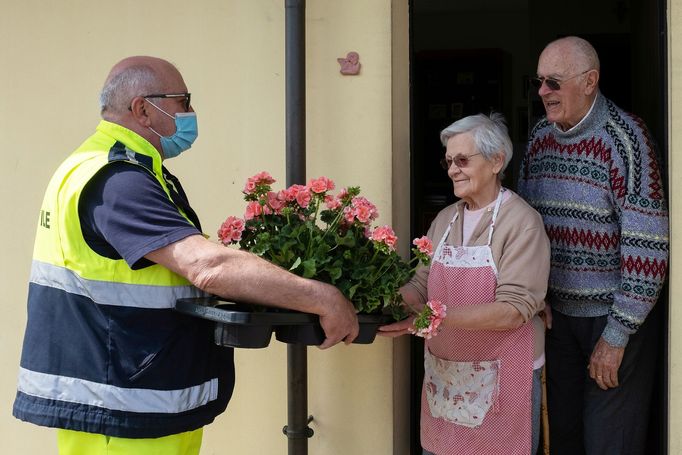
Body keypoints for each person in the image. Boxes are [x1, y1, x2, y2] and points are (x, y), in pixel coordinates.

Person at [12, 56, 359, 455]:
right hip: (121, 410)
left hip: (137, 397)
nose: (192, 114)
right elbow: (206, 265)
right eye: (184, 101)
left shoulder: (123, 168)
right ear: (143, 109)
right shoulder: (116, 179)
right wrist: (322, 297)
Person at [518, 36, 669, 455]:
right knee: (563, 436)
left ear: (590, 81)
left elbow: (648, 248)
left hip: (614, 317)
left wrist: (617, 335)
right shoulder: (539, 140)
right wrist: (534, 293)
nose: (542, 92)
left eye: (553, 82)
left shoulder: (628, 141)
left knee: (609, 442)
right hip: (556, 319)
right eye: (539, 82)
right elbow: (523, 225)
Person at [380, 113, 550, 455]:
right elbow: (422, 283)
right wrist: (384, 300)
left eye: (462, 160)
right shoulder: (445, 219)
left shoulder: (522, 223)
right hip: (446, 379)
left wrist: (429, 318)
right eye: (448, 161)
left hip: (504, 379)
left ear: (496, 160)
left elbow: (513, 311)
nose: (452, 169)